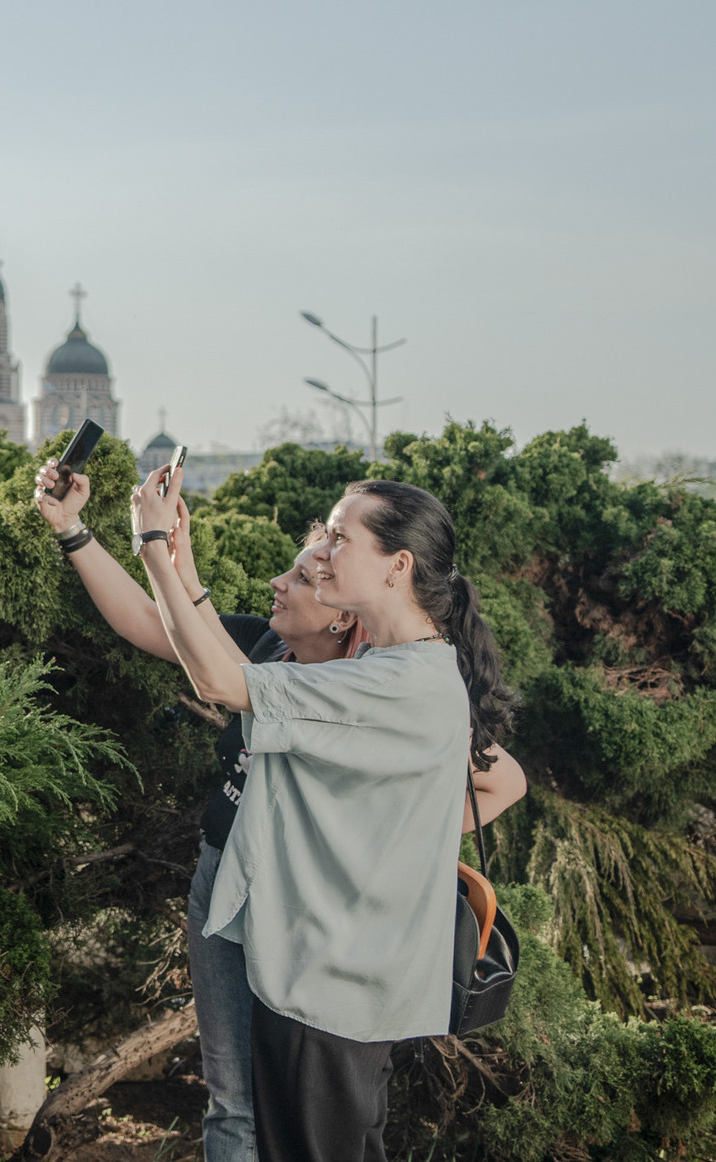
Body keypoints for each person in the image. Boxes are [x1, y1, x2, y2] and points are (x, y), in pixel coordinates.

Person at [32, 463, 526, 1162]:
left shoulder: (391, 679)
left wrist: (152, 544)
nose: (316, 557)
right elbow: (181, 635)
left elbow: (213, 677)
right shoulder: (388, 666)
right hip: (308, 956)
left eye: (336, 538)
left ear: (398, 567)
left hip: (331, 978)